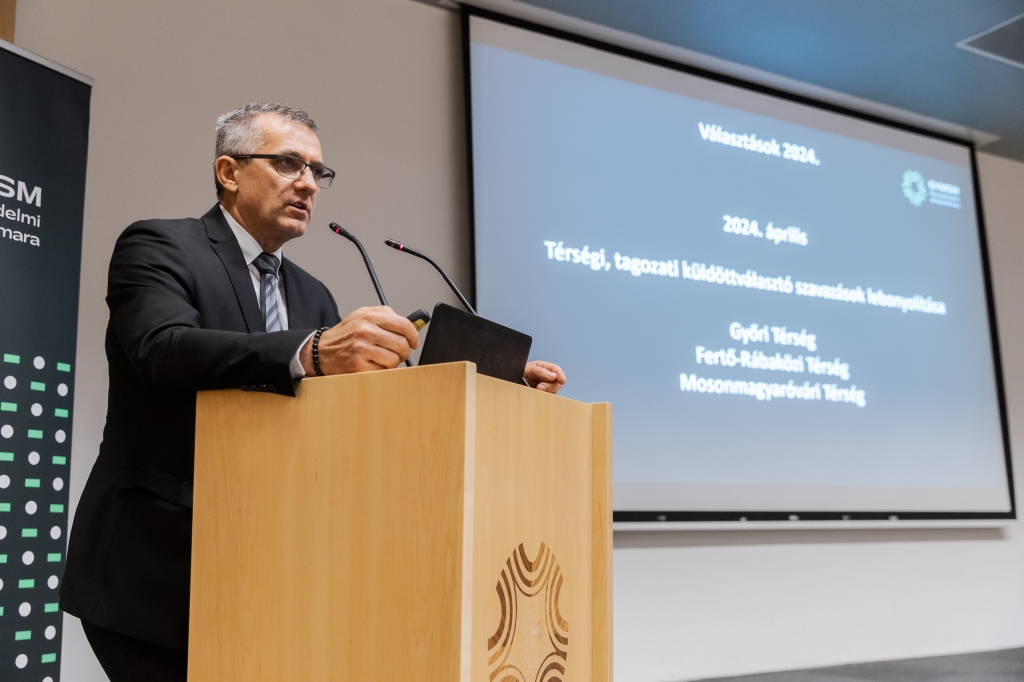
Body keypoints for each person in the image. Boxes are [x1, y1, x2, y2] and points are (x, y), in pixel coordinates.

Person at [60, 103, 566, 682]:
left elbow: (352, 410)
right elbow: (162, 349)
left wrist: (495, 384)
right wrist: (312, 353)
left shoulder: (312, 294)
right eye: (287, 164)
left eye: (317, 172)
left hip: (271, 569)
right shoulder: (159, 246)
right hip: (156, 567)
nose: (307, 183)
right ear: (229, 172)